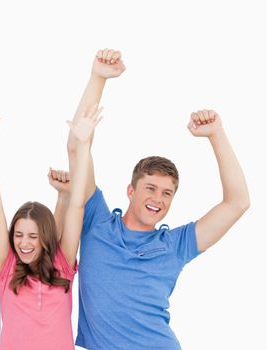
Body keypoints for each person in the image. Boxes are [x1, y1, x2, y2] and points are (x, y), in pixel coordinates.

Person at [59, 50, 250, 349]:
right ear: (131, 191)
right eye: (150, 188)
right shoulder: (97, 221)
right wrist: (98, 78)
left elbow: (237, 203)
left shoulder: (175, 245)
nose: (157, 199)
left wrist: (217, 135)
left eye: (166, 193)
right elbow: (76, 147)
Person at [0, 102, 102, 350]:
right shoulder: (6, 268)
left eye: (32, 236)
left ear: (45, 238)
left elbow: (77, 207)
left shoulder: (62, 264)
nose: (24, 243)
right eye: (18, 235)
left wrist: (83, 146)